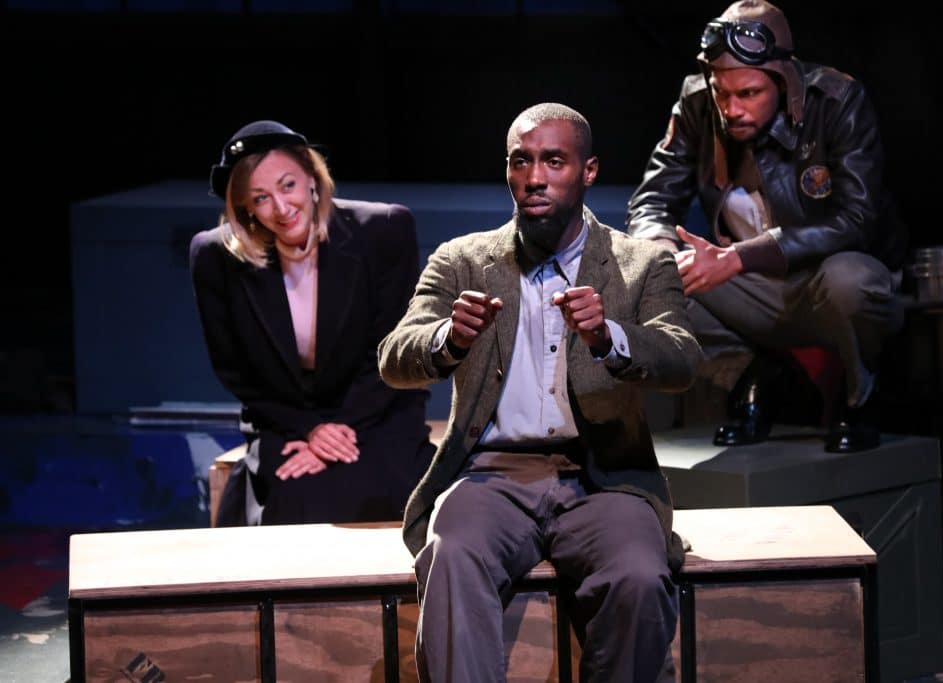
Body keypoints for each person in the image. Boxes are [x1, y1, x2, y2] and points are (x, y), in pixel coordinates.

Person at [378, 103, 702, 682]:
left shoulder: (641, 263)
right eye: (521, 161)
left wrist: (609, 339)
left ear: (589, 171)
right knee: (451, 557)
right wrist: (448, 338)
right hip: (490, 476)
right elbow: (394, 359)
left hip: (604, 478)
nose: (534, 177)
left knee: (640, 577)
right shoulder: (462, 261)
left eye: (553, 161)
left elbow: (680, 358)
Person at [626, 0, 907, 452]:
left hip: (825, 279)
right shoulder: (698, 103)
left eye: (749, 94)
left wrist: (738, 257)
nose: (731, 108)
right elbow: (652, 200)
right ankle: (752, 376)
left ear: (783, 80)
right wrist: (660, 248)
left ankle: (859, 398)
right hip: (753, 289)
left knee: (850, 280)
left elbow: (857, 220)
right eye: (722, 92)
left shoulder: (835, 100)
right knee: (652, 273)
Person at [190, 120, 433, 526]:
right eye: (261, 198)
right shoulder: (215, 256)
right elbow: (235, 371)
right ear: (246, 207)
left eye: (288, 186)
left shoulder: (384, 229)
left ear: (311, 178)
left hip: (375, 408)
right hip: (287, 417)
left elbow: (394, 349)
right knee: (293, 497)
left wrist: (337, 429)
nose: (281, 209)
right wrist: (309, 429)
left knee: (377, 492)